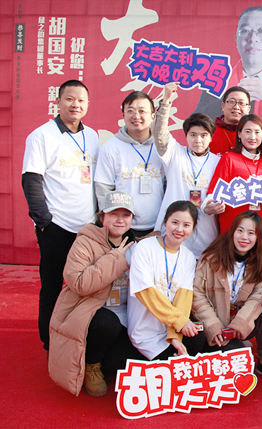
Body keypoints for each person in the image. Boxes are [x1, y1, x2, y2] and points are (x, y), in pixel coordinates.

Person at [22, 79, 99, 352]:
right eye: (69, 99)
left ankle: (83, 340)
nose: (75, 104)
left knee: (88, 288)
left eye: (81, 100)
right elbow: (31, 180)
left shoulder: (92, 136)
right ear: (58, 102)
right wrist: (45, 223)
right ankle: (50, 343)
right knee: (53, 287)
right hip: (57, 228)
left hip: (88, 230)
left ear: (87, 104)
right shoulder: (41, 136)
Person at [48, 191, 142, 397]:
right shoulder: (84, 242)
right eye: (113, 214)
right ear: (102, 217)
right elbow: (79, 284)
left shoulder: (137, 245)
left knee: (123, 363)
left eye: (126, 215)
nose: (120, 220)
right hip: (90, 311)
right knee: (107, 323)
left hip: (125, 314)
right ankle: (92, 364)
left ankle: (100, 357)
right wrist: (114, 258)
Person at [193, 211, 262, 384]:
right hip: (216, 321)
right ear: (232, 231)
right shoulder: (210, 258)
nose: (244, 237)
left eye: (251, 233)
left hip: (239, 321)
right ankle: (232, 348)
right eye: (240, 231)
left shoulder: (260, 262)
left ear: (258, 237)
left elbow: (257, 298)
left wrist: (241, 324)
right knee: (235, 370)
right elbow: (197, 294)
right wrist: (213, 326)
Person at [127, 201, 203, 360]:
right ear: (165, 222)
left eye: (186, 225)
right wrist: (179, 321)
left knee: (198, 340)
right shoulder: (145, 247)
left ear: (193, 228)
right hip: (145, 330)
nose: (179, 229)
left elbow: (184, 298)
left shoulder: (189, 257)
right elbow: (145, 292)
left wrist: (175, 335)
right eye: (175, 222)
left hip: (171, 328)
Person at [195, 6, 262, 139]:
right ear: (236, 39)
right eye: (245, 31)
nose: (253, 38)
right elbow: (196, 122)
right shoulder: (218, 78)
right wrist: (232, 99)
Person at [153, 81, 220, 259]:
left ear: (211, 138)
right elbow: (159, 134)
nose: (198, 140)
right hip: (171, 236)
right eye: (193, 135)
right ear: (186, 136)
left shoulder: (219, 162)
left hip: (205, 240)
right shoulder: (175, 153)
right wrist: (166, 100)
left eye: (204, 135)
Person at [205, 114, 262, 259]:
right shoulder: (228, 159)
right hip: (234, 227)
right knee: (230, 267)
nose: (252, 137)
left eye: (257, 132)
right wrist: (208, 206)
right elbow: (214, 193)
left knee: (258, 268)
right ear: (239, 134)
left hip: (261, 229)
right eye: (247, 131)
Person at [95, 91, 164, 237]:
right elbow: (103, 189)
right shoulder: (111, 147)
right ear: (123, 115)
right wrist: (111, 225)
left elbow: (170, 185)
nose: (136, 116)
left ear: (153, 115)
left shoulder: (163, 147)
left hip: (159, 226)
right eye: (130, 111)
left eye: (142, 111)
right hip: (122, 228)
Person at [210, 86, 252, 156]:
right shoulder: (209, 132)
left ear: (248, 109)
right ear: (223, 106)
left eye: (241, 103)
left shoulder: (256, 134)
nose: (236, 107)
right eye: (232, 102)